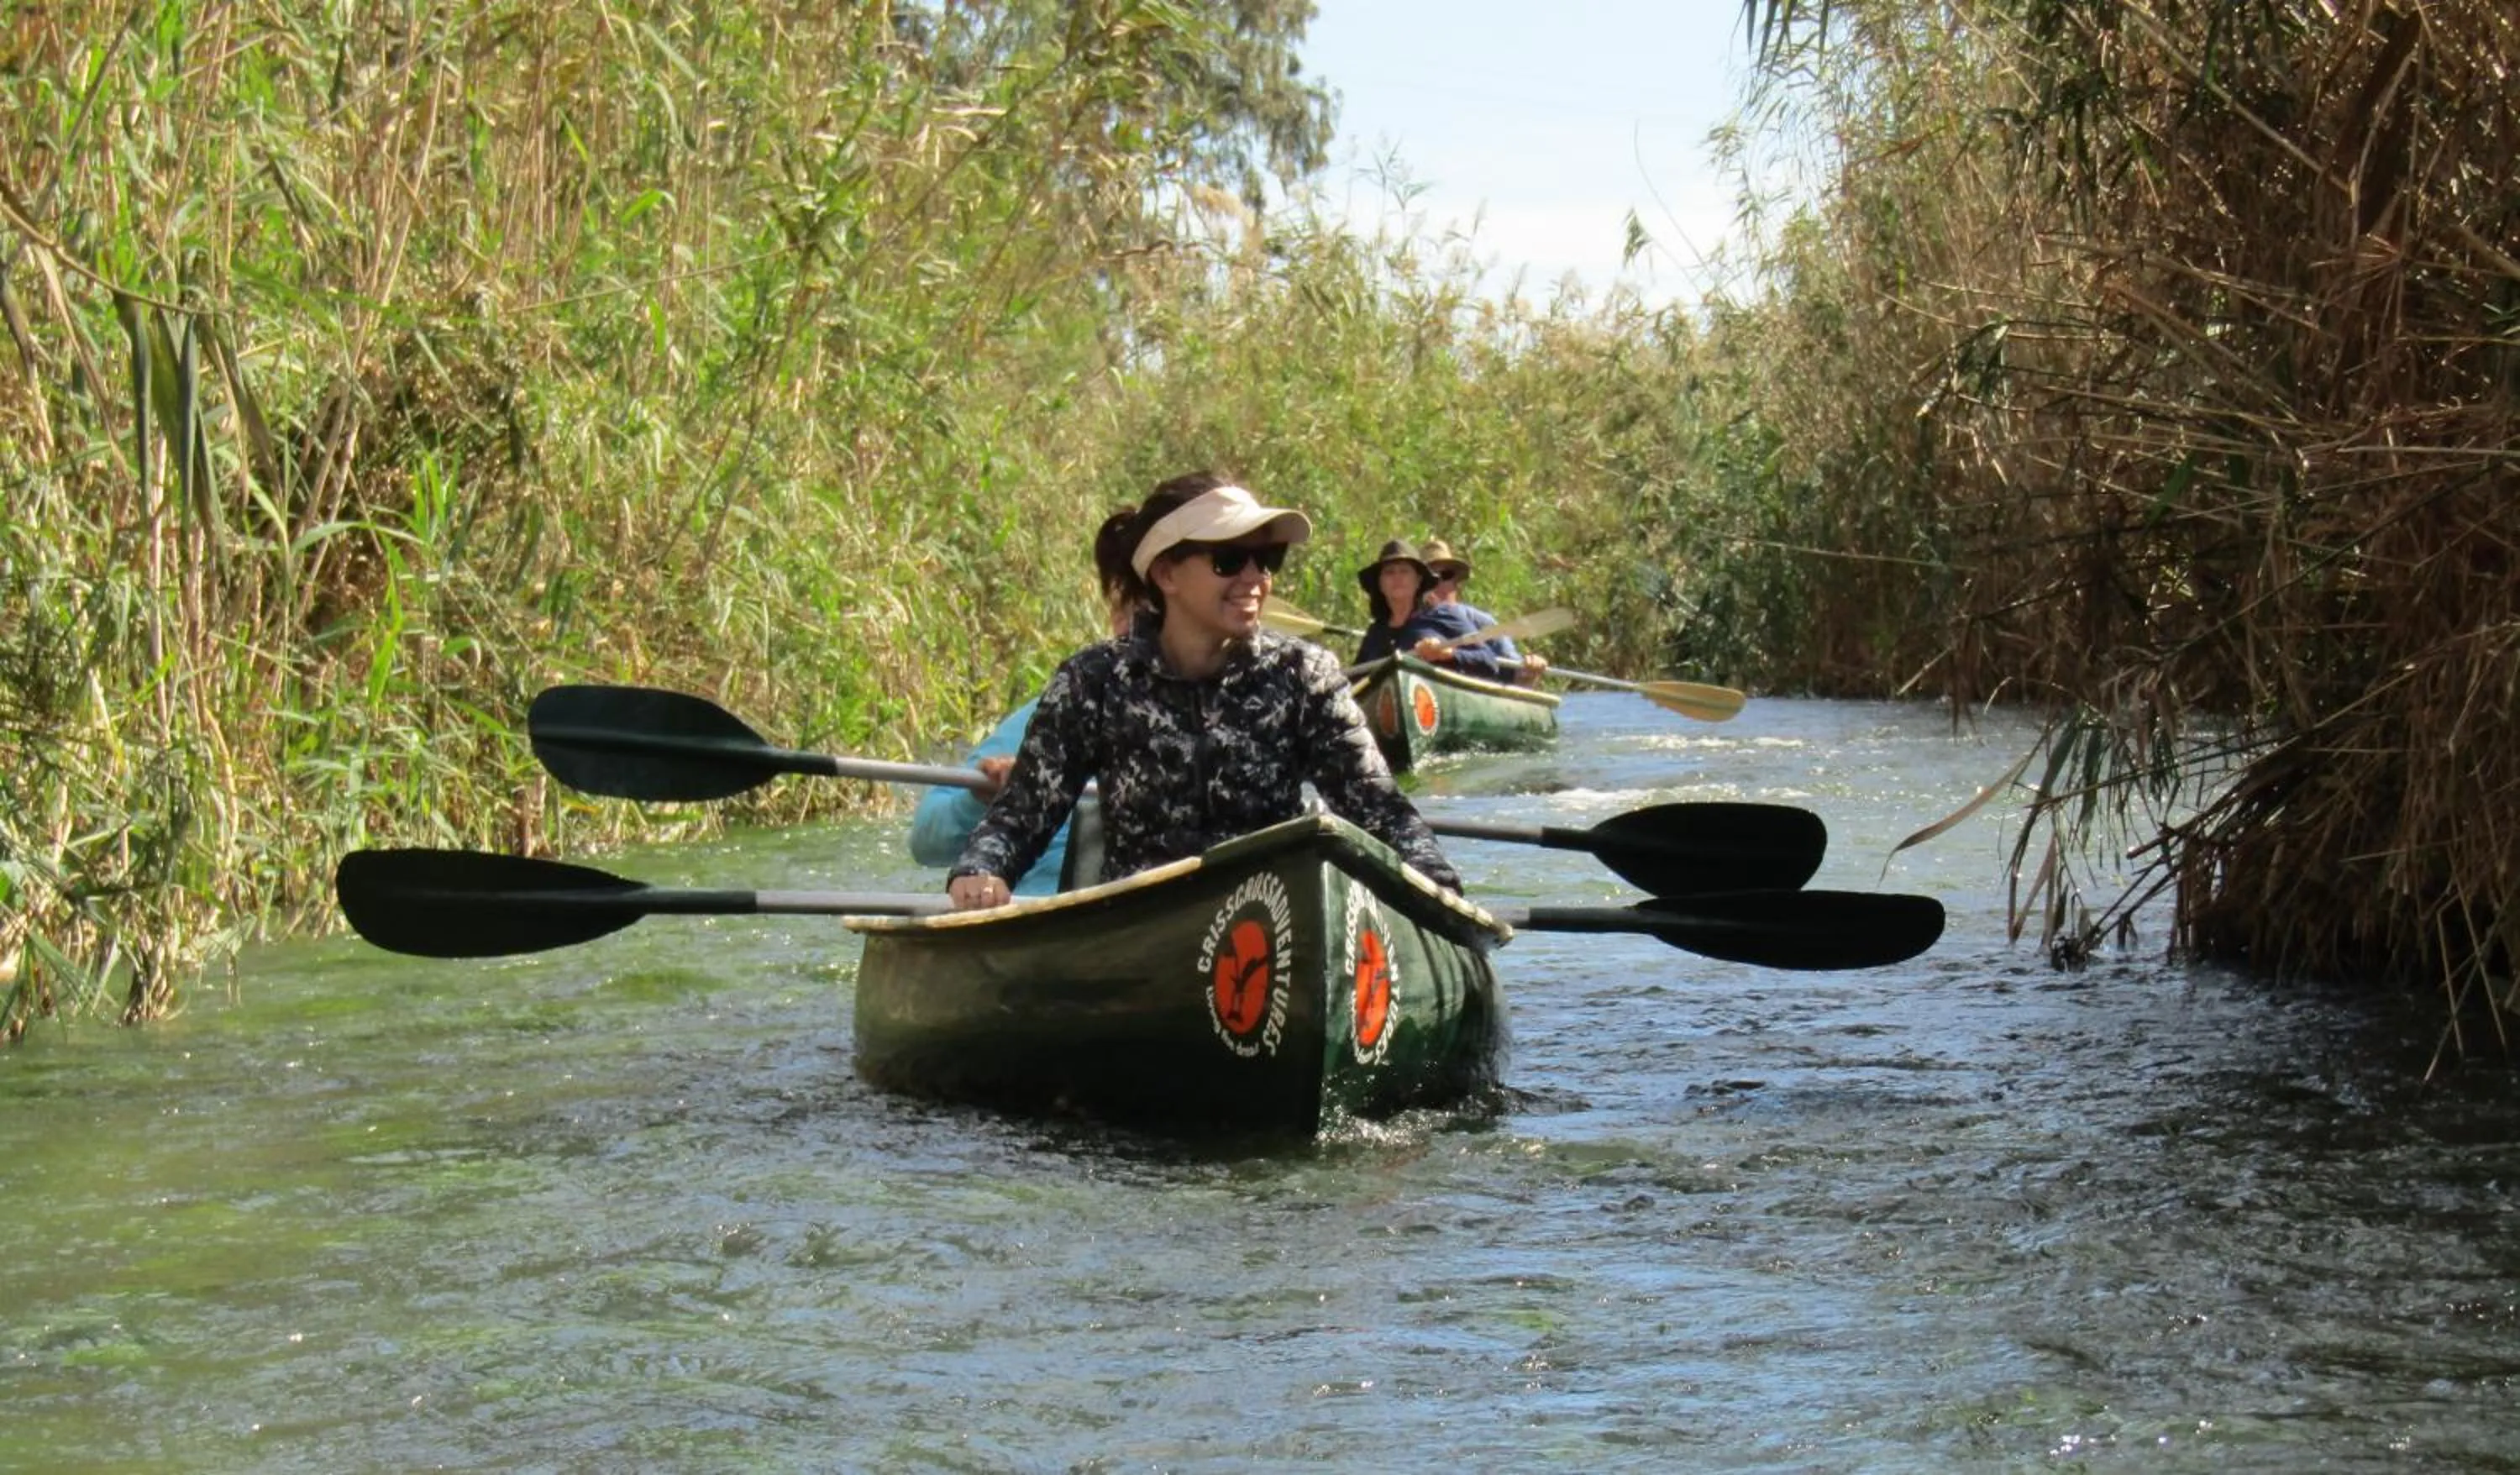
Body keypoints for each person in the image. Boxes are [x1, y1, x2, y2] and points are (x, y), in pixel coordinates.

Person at [946, 473, 1461, 911]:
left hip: (1273, 933)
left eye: (1268, 559)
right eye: (1230, 559)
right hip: (1141, 934)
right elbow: (1022, 814)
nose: (1255, 578)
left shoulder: (1305, 675)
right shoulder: (1094, 681)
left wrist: (1435, 878)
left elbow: (1379, 807)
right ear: (1167, 573)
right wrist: (980, 869)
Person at [907, 518, 1142, 895]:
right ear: (1118, 616)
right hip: (1041, 920)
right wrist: (978, 798)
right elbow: (925, 842)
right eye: (1133, 610)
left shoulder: (1240, 718)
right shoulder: (1056, 711)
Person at [1349, 538, 1508, 681]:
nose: (1397, 577)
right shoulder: (1376, 633)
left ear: (1418, 580)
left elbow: (1488, 661)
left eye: (1404, 571)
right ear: (1381, 584)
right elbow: (1355, 681)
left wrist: (1446, 654)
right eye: (1389, 572)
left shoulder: (1444, 616)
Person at [1421, 537, 1549, 686]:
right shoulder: (1410, 621)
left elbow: (1513, 669)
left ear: (1456, 582)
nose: (1437, 583)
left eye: (1446, 575)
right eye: (1430, 576)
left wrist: (1529, 670)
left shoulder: (1480, 621)